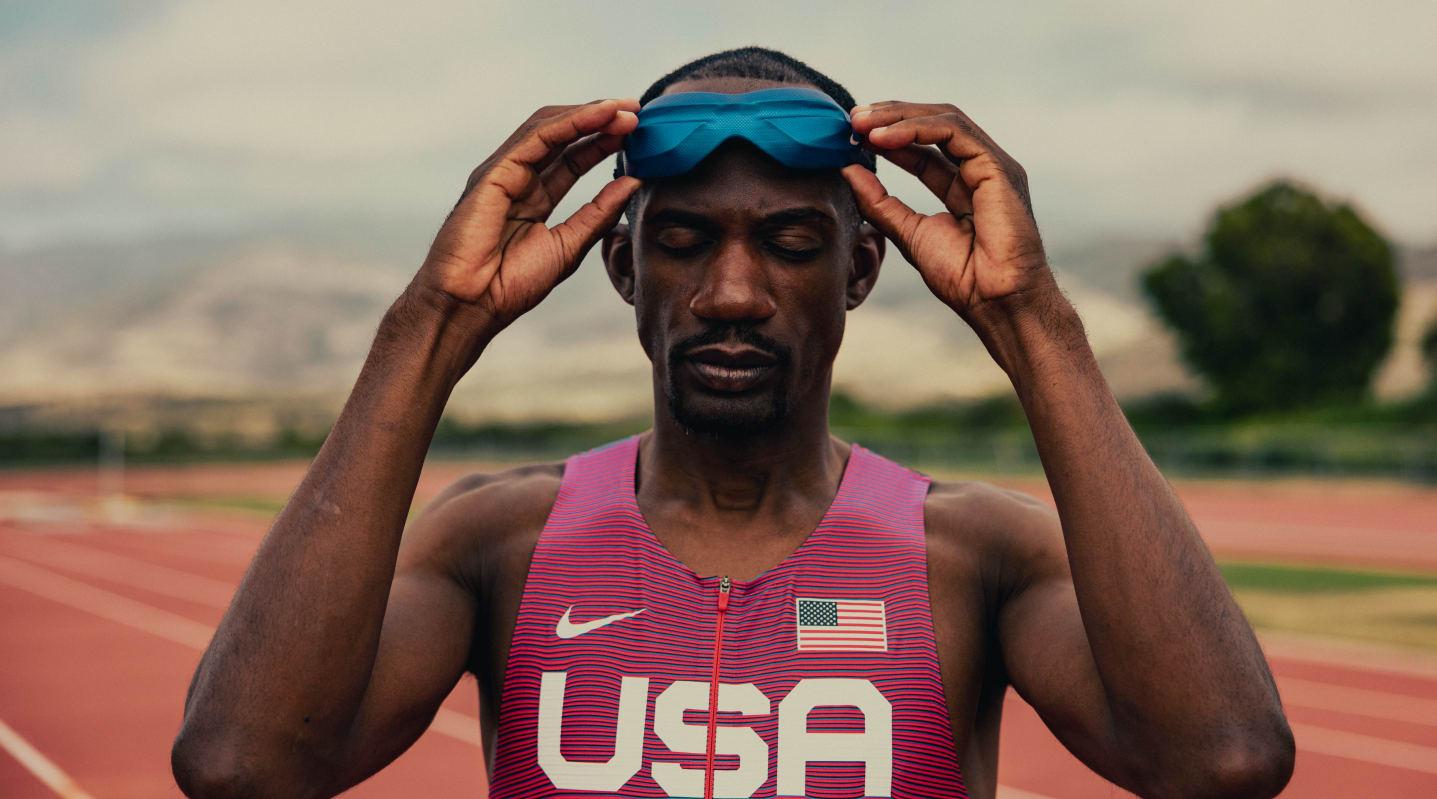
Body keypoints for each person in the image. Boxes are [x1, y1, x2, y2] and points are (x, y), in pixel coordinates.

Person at [171, 48, 1294, 799]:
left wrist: (1030, 318)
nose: (733, 293)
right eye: (683, 242)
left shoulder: (972, 555)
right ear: (622, 268)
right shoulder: (499, 540)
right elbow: (243, 767)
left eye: (793, 245)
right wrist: (435, 319)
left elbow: (1221, 759)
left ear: (861, 268)